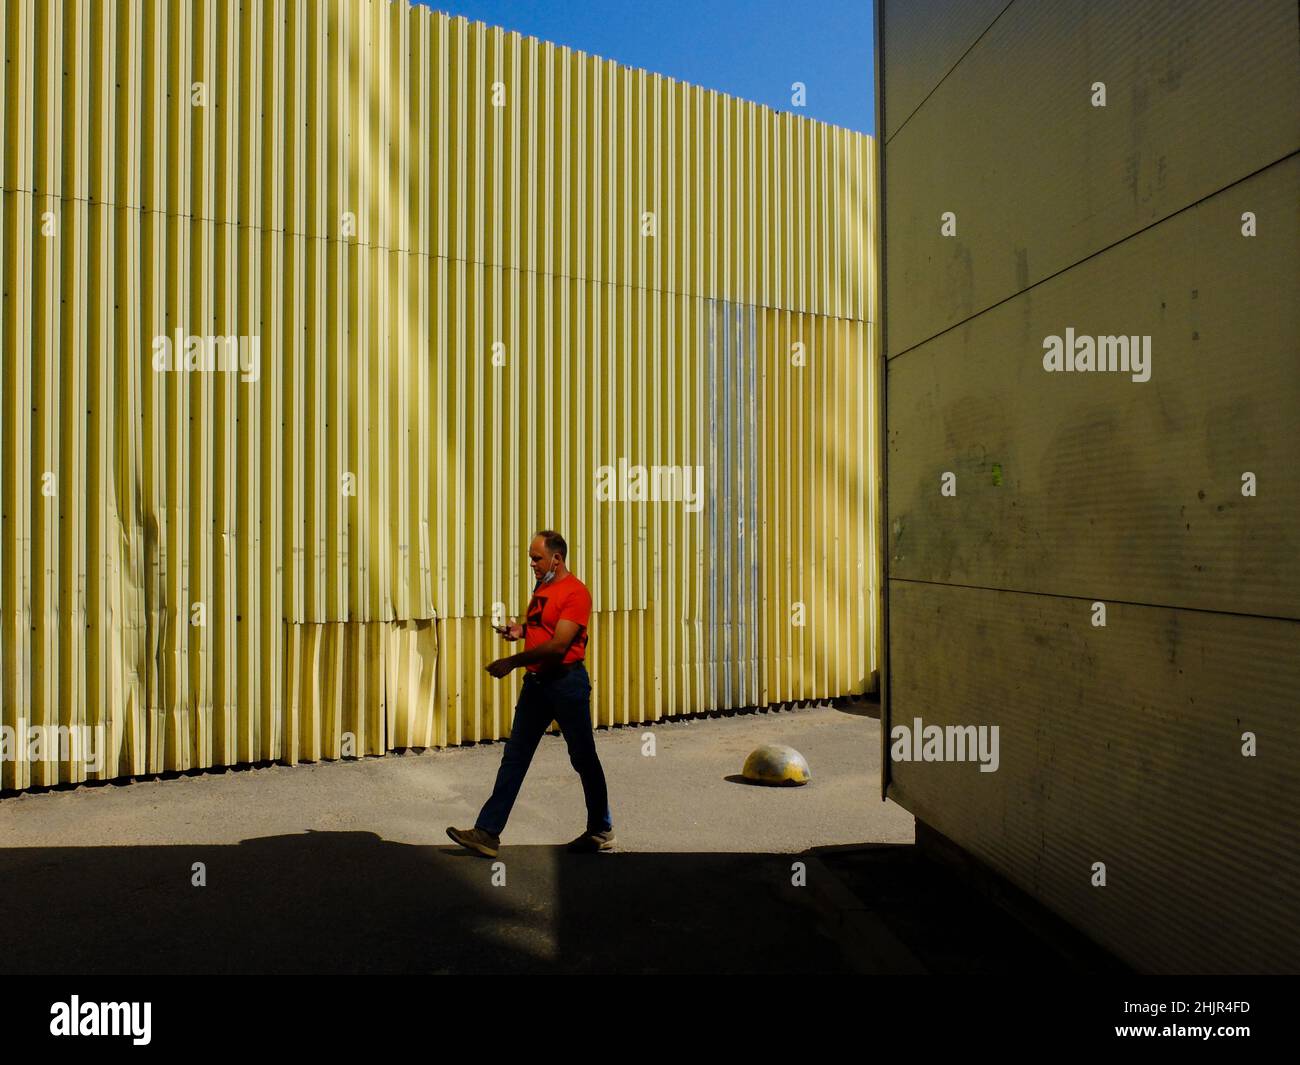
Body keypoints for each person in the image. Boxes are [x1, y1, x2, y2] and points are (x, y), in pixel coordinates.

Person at [446, 530, 614, 858]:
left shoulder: (575, 593)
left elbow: (559, 644)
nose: (532, 564)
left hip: (566, 684)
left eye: (537, 558)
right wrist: (519, 631)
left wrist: (512, 661)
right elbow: (542, 629)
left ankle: (601, 829)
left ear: (557, 558)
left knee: (583, 758)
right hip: (537, 685)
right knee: (515, 758)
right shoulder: (543, 588)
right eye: (530, 558)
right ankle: (487, 833)